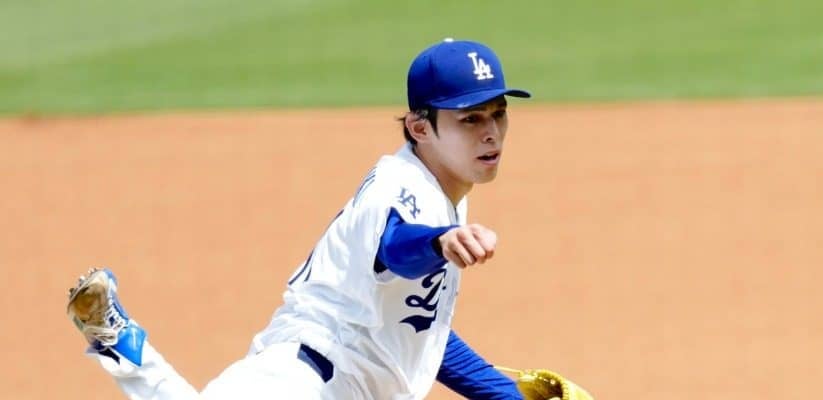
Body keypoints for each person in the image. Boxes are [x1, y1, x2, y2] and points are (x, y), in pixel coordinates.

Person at [67, 38, 581, 399]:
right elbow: (396, 246)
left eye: (498, 113)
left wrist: (505, 395)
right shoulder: (400, 188)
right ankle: (120, 345)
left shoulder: (444, 190)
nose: (490, 132)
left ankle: (122, 345)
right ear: (419, 127)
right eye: (470, 119)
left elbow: (421, 333)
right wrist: (440, 241)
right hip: (301, 379)